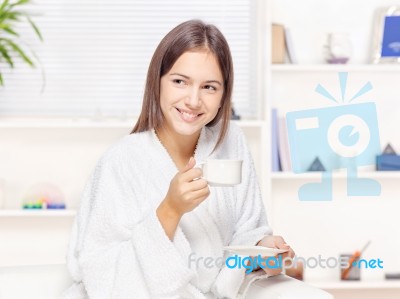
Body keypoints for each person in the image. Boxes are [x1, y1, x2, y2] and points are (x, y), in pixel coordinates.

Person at [62, 19, 295, 299]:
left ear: (224, 95)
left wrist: (264, 250)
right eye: (180, 82)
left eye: (209, 87)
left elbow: (245, 233)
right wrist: (170, 210)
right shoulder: (121, 160)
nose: (193, 101)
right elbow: (100, 272)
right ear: (157, 82)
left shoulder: (231, 142)